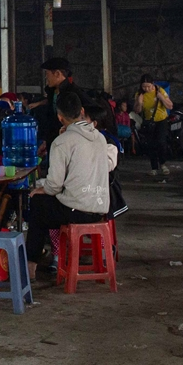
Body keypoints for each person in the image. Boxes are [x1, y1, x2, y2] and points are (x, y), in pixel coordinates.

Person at [24, 90, 116, 278]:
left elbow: (54, 185)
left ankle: (30, 266)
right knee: (45, 204)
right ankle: (45, 259)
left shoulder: (61, 142)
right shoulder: (100, 138)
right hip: (100, 209)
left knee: (37, 205)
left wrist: (41, 189)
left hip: (77, 211)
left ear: (60, 117)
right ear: (81, 111)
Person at [33, 57, 83, 154]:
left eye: (47, 74)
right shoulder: (52, 93)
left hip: (69, 145)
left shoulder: (73, 93)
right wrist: (46, 141)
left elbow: (94, 111)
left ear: (57, 74)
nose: (46, 78)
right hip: (54, 142)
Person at [135, 74, 173, 177]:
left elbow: (170, 106)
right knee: (151, 145)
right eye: (144, 86)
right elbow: (137, 110)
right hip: (149, 122)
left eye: (148, 86)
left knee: (161, 142)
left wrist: (162, 98)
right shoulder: (139, 94)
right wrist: (139, 102)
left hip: (161, 120)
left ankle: (163, 164)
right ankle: (154, 167)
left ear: (153, 84)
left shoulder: (159, 91)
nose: (146, 89)